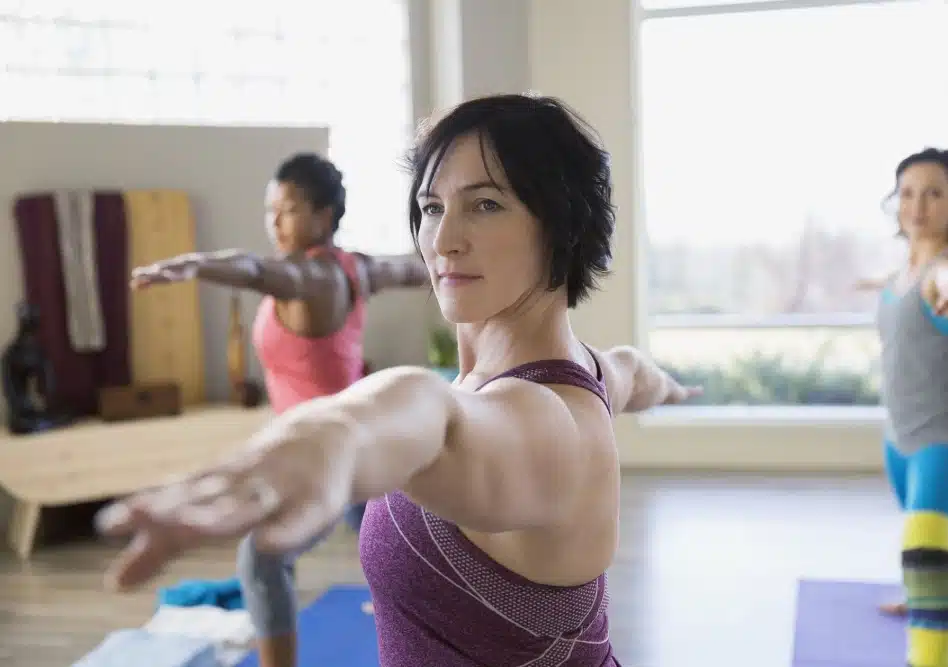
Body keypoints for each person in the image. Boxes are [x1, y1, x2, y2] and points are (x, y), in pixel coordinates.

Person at [97, 93, 700, 666]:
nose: (442, 239)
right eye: (433, 206)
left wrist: (337, 432)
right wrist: (672, 388)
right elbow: (634, 373)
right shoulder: (593, 370)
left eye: (486, 204)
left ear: (563, 222)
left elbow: (434, 417)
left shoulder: (545, 422)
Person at [130, 152, 428, 667]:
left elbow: (252, 269)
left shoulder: (310, 278)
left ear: (323, 214)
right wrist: (445, 267)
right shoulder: (356, 268)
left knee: (264, 558)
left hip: (329, 453)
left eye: (288, 210)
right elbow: (409, 268)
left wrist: (194, 264)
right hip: (353, 441)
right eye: (271, 210)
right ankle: (421, 625)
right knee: (386, 551)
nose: (275, 222)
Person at [864, 148, 948, 667]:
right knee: (935, 540)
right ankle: (941, 586)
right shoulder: (903, 271)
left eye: (934, 192)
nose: (918, 205)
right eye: (909, 192)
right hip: (900, 439)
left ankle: (930, 654)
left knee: (922, 550)